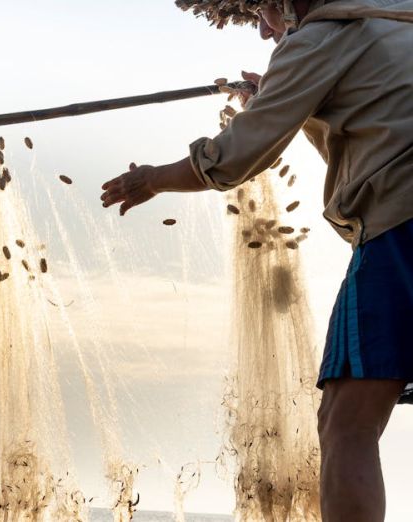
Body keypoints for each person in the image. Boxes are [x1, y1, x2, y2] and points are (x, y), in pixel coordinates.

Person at [101, 1, 412, 520]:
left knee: (346, 421)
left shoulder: (317, 40)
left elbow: (237, 155)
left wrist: (152, 178)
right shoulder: (393, 15)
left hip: (400, 228)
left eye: (262, 11)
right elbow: (374, 123)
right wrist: (281, 95)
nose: (266, 29)